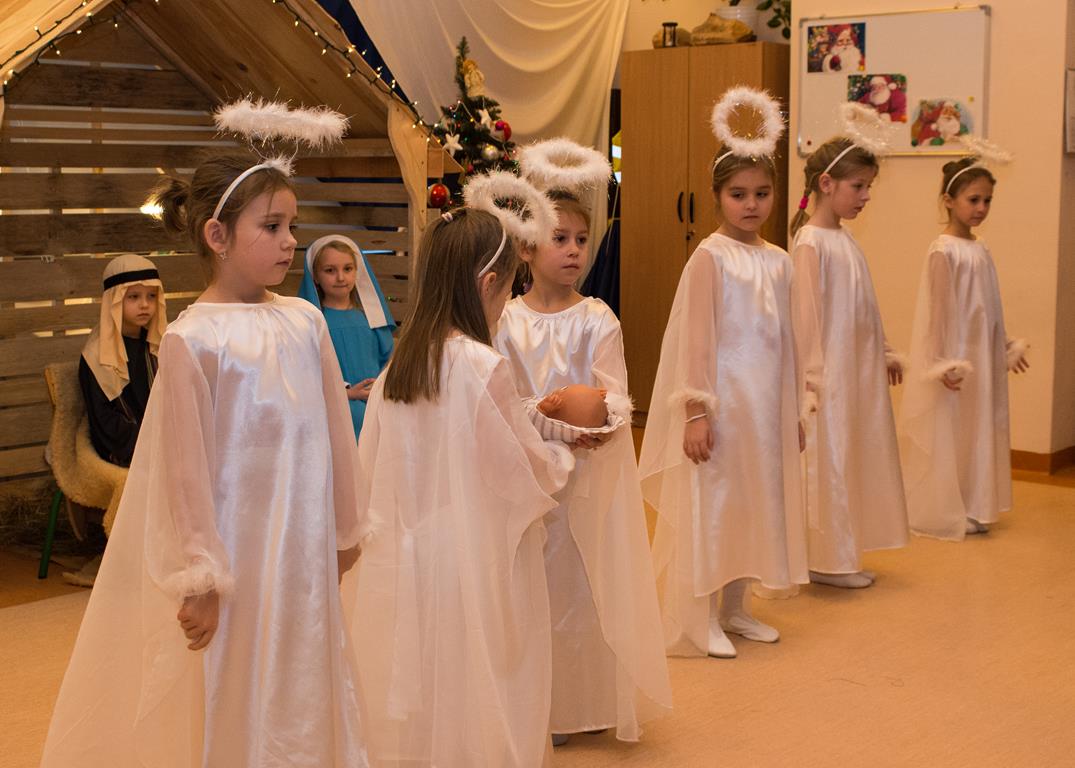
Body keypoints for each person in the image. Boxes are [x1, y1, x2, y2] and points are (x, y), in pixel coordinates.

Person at [41, 149, 369, 767]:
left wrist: (346, 528)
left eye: (292, 226)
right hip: (238, 554)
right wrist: (202, 579)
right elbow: (185, 471)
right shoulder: (194, 338)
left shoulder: (306, 321)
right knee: (239, 682)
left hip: (302, 544)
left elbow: (335, 433)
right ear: (217, 236)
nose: (289, 242)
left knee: (307, 671)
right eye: (271, 226)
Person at [348, 198, 575, 767]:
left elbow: (374, 466)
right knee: (481, 675)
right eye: (509, 287)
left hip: (411, 550)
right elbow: (518, 470)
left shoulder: (399, 367)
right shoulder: (481, 364)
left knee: (426, 678)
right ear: (488, 284)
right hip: (472, 552)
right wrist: (562, 452)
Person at [496, 139, 672, 742]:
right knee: (532, 586)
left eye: (580, 239)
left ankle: (582, 701)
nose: (574, 250)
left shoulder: (598, 317)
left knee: (581, 584)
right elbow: (501, 399)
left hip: (585, 479)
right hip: (528, 476)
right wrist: (549, 416)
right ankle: (537, 704)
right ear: (526, 248)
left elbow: (615, 396)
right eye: (559, 238)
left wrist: (596, 419)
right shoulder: (506, 321)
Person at [641, 87, 808, 659]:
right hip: (722, 409)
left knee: (755, 505)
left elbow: (787, 342)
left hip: (765, 411)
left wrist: (794, 410)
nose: (751, 204)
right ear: (716, 197)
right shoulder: (709, 258)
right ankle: (701, 615)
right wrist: (695, 411)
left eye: (762, 193)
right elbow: (696, 339)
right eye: (738, 194)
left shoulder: (780, 260)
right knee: (714, 505)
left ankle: (737, 607)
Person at [790, 135, 909, 589]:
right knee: (830, 457)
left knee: (852, 452)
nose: (866, 196)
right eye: (858, 186)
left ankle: (843, 549)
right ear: (827, 183)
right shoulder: (810, 243)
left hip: (856, 371)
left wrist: (884, 350)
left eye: (868, 187)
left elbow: (864, 307)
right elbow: (806, 318)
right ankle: (827, 559)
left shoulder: (845, 239)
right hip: (830, 376)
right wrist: (810, 381)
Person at [898, 154, 1027, 540]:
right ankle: (948, 504)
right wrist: (941, 361)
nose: (981, 208)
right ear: (949, 200)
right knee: (954, 427)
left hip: (981, 355)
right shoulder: (943, 250)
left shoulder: (981, 248)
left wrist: (1004, 344)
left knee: (977, 425)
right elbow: (938, 310)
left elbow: (992, 305)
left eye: (987, 200)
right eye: (973, 199)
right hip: (957, 355)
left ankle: (976, 501)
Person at [298, 235, 395, 439]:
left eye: (348, 269)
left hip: (376, 410)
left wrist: (379, 388)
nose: (341, 278)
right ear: (315, 277)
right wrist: (348, 393)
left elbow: (387, 360)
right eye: (330, 270)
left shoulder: (371, 318)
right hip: (336, 413)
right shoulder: (314, 323)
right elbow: (305, 373)